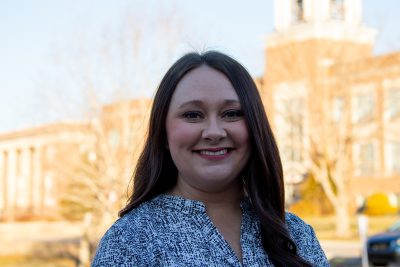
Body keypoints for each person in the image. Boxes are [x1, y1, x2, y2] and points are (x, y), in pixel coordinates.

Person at [91, 51, 329, 266]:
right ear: (163, 133)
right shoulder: (129, 242)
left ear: (255, 127)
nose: (214, 132)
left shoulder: (296, 235)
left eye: (232, 114)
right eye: (193, 115)